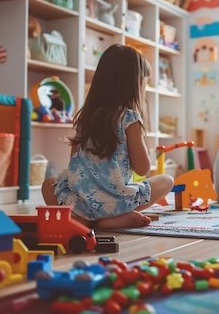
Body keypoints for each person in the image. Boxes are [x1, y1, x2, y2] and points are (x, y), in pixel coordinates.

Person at [42, 44, 174, 229]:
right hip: (117, 203)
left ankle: (82, 220)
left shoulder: (85, 117)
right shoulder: (129, 118)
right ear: (133, 84)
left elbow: (74, 164)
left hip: (81, 201)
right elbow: (142, 168)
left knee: (49, 184)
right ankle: (112, 221)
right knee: (167, 180)